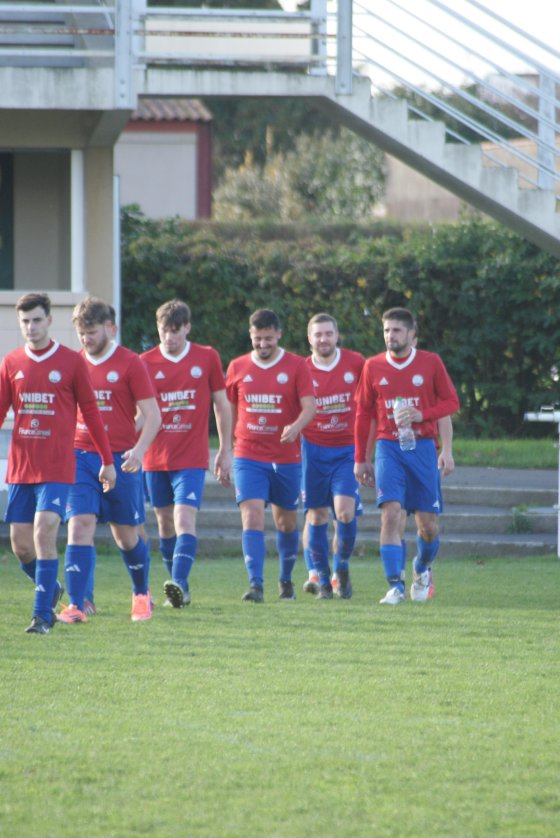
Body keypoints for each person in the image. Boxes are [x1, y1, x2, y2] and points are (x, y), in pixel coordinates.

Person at [0, 292, 116, 634]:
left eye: (37, 320)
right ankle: (51, 589)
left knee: (44, 531)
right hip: (21, 466)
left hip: (57, 466)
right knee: (21, 545)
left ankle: (42, 616)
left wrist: (107, 461)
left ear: (49, 321)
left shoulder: (70, 362)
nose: (31, 327)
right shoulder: (11, 363)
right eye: (24, 321)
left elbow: (92, 413)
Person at [57, 297, 161, 624]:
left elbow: (153, 416)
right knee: (80, 525)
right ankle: (76, 604)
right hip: (79, 457)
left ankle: (142, 595)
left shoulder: (131, 363)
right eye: (81, 333)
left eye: (91, 331)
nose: (86, 338)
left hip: (120, 459)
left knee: (125, 535)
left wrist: (139, 450)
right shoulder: (73, 364)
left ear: (110, 328)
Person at [354, 307, 459, 604]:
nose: (390, 336)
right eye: (386, 330)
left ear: (412, 334)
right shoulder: (373, 366)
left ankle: (422, 568)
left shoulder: (430, 363)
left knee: (427, 525)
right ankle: (395, 586)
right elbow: (363, 413)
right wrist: (360, 457)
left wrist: (422, 414)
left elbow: (451, 402)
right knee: (390, 514)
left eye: (397, 330)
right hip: (389, 447)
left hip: (423, 447)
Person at [141, 299, 232, 608]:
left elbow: (222, 405)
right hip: (155, 458)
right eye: (165, 331)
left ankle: (177, 582)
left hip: (192, 459)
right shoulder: (145, 362)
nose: (170, 337)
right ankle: (180, 587)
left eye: (176, 331)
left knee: (183, 520)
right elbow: (138, 413)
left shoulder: (206, 357)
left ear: (188, 328)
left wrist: (224, 449)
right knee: (164, 524)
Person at [226, 308, 316, 602]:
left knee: (286, 523)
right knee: (251, 515)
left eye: (268, 339)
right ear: (250, 336)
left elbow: (310, 407)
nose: (263, 345)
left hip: (286, 456)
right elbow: (230, 412)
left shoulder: (296, 366)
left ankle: (286, 580)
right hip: (248, 454)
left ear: (279, 334)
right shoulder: (237, 366)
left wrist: (296, 427)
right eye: (257, 339)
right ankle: (255, 585)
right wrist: (225, 451)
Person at [300, 313, 365, 599]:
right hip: (312, 450)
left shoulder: (356, 363)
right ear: (309, 339)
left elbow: (370, 403)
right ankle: (324, 581)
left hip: (347, 450)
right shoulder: (300, 370)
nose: (323, 339)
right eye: (318, 334)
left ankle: (341, 568)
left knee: (344, 512)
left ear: (337, 335)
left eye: (328, 333)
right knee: (316, 514)